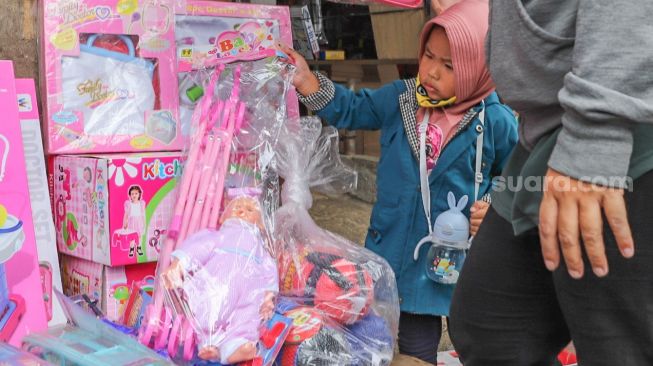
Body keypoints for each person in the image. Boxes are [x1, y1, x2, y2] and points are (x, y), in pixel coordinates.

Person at [279, 0, 518, 362]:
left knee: (478, 342)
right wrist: (308, 81)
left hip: (462, 258)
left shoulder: (495, 120)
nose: (432, 73)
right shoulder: (402, 98)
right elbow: (352, 109)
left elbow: (516, 176)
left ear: (480, 67)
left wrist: (497, 206)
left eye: (449, 65)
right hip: (400, 252)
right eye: (429, 56)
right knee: (413, 349)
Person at [449, 1, 653, 365]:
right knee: (491, 329)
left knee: (619, 346)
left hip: (620, 125)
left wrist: (596, 134)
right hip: (546, 130)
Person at [123, 185, 146, 257]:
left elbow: (143, 214)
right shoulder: (128, 204)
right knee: (132, 237)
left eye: (136, 193)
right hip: (131, 222)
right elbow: (126, 215)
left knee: (139, 236)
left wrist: (144, 223)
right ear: (130, 195)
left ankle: (139, 248)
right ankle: (132, 249)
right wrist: (125, 223)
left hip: (139, 222)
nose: (134, 195)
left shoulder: (141, 203)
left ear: (139, 194)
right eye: (132, 194)